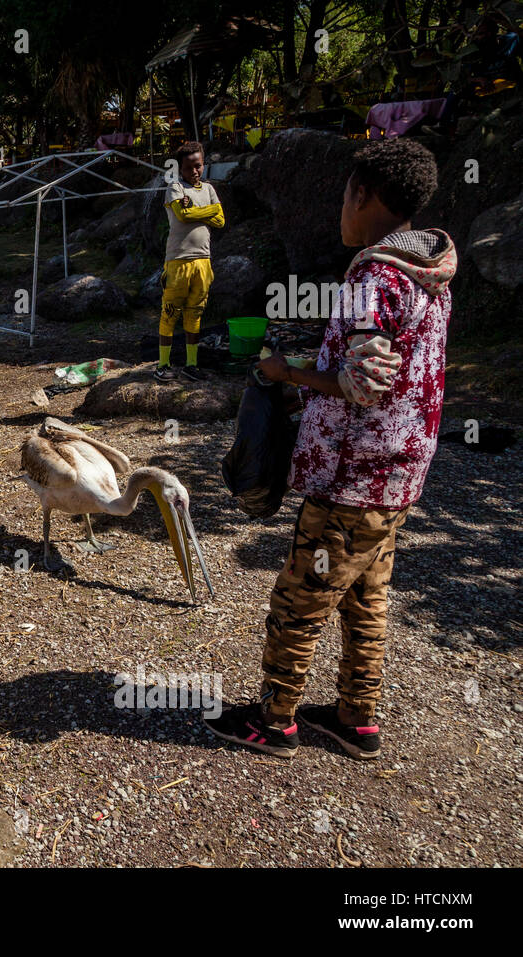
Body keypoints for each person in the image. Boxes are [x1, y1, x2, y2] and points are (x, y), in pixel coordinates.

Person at [206, 138, 456, 760]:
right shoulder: (427, 271)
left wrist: (289, 374)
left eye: (346, 193)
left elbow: (364, 386)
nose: (340, 207)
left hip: (352, 475)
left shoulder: (372, 277)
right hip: (397, 472)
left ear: (365, 196)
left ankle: (274, 719)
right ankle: (355, 716)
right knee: (366, 595)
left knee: (302, 594)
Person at [155, 141, 224, 383]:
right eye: (189, 168)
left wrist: (196, 208)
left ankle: (191, 364)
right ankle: (163, 364)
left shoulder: (208, 189)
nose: (194, 171)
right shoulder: (174, 188)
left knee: (195, 314)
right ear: (180, 169)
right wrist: (209, 210)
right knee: (170, 312)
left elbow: (221, 220)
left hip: (203, 260)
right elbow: (183, 216)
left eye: (198, 166)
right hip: (178, 260)